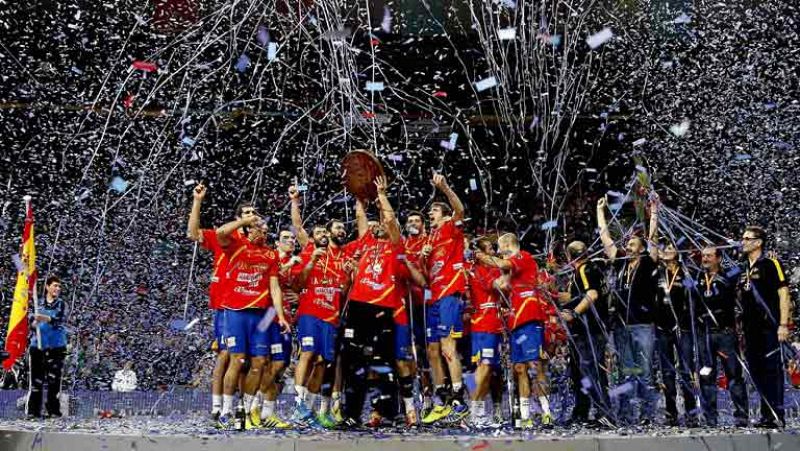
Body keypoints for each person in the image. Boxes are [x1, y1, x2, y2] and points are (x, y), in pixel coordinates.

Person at [339, 176, 409, 428]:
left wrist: (381, 194)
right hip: (358, 306)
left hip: (383, 308)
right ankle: (351, 414)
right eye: (374, 224)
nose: (377, 225)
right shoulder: (365, 242)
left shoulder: (394, 245)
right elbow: (360, 216)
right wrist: (359, 195)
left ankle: (387, 412)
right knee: (354, 362)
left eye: (380, 224)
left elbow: (390, 220)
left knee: (383, 362)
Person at [215, 207, 290, 429]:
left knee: (259, 363)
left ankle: (246, 411)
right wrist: (242, 222)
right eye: (258, 228)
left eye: (265, 230)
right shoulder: (236, 245)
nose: (263, 232)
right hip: (236, 311)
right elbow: (220, 233)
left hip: (260, 315)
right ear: (248, 229)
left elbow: (274, 287)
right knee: (237, 359)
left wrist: (281, 316)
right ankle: (225, 412)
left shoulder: (270, 254)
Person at [475, 233, 553, 428]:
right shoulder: (511, 267)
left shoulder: (523, 256)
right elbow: (501, 283)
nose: (499, 251)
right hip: (515, 321)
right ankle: (525, 416)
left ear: (508, 244)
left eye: (500, 247)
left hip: (530, 316)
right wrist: (478, 268)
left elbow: (503, 265)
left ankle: (546, 412)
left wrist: (484, 257)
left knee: (536, 366)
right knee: (520, 369)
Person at [597, 196, 659, 425]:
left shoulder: (648, 262)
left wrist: (654, 212)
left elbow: (653, 238)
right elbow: (606, 241)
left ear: (641, 248)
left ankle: (648, 415)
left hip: (642, 326)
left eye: (632, 243)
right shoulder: (622, 263)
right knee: (624, 373)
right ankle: (624, 415)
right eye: (628, 244)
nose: (627, 246)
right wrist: (600, 213)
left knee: (644, 372)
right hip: (622, 327)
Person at [420, 172, 470, 424]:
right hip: (433, 300)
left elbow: (460, 209)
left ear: (445, 215)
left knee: (449, 346)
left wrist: (445, 188)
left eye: (434, 211)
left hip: (450, 293)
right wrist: (421, 256)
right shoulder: (429, 240)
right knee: (432, 350)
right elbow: (424, 277)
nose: (430, 214)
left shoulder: (452, 227)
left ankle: (459, 399)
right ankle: (442, 399)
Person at [739, 226, 791, 428]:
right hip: (750, 330)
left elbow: (784, 293)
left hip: (769, 327)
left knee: (772, 370)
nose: (742, 241)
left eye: (747, 238)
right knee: (756, 371)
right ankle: (765, 415)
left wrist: (783, 324)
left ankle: (777, 415)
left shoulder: (771, 263)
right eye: (742, 238)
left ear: (758, 242)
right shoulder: (743, 268)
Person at [186, 183, 231, 422]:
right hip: (225, 308)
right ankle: (217, 406)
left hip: (250, 309)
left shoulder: (254, 244)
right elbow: (193, 234)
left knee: (246, 360)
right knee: (224, 355)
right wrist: (197, 201)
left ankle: (238, 405)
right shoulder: (221, 239)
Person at [558, 241, 612, 428]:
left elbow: (592, 294)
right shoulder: (582, 271)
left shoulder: (585, 269)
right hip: (581, 331)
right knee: (579, 372)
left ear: (569, 256)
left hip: (590, 330)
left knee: (592, 371)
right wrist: (551, 292)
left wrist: (574, 313)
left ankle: (604, 413)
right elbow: (574, 296)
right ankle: (581, 411)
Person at [695, 246, 748, 427]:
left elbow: (744, 265)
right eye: (703, 256)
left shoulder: (729, 275)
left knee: (734, 376)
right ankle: (711, 418)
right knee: (706, 377)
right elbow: (682, 292)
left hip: (726, 333)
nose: (705, 259)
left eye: (709, 255)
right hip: (705, 335)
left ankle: (741, 417)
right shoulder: (696, 278)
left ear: (718, 258)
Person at [654, 240, 698, 426]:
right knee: (667, 374)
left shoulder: (687, 272)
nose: (667, 250)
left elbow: (695, 297)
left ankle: (691, 413)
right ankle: (671, 413)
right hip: (662, 329)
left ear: (679, 251)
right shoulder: (656, 273)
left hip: (683, 329)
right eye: (664, 248)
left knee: (686, 372)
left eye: (671, 247)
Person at [466, 236, 503, 427]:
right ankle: (474, 411)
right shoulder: (478, 271)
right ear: (479, 253)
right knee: (484, 367)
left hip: (493, 324)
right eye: (489, 249)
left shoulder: (490, 269)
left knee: (490, 370)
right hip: (483, 324)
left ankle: (480, 413)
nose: (493, 252)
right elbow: (498, 286)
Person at [26, 276, 68, 419]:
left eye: (59, 287)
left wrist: (42, 317)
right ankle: (33, 411)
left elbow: (58, 320)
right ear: (47, 287)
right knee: (36, 380)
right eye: (55, 286)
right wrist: (34, 322)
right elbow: (31, 325)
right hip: (38, 346)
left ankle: (53, 411)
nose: (57, 289)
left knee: (54, 381)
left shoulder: (61, 304)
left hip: (56, 347)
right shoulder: (38, 304)